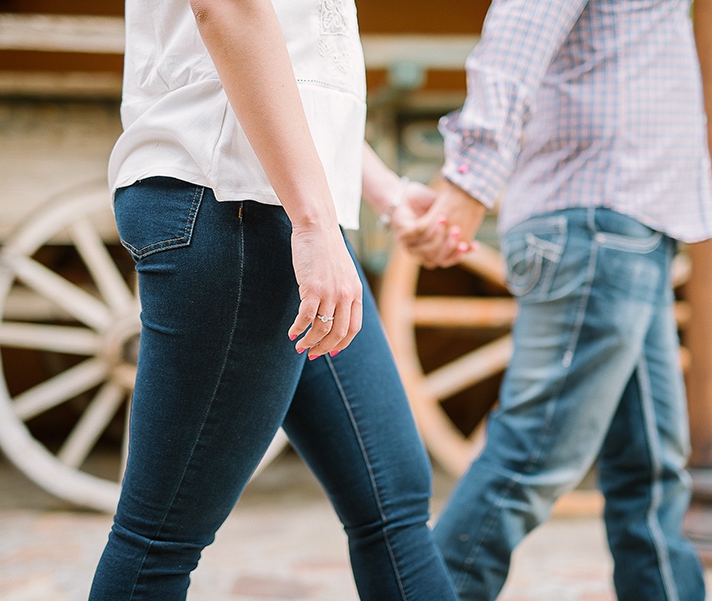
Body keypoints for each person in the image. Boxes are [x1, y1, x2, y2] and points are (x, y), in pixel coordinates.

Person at [88, 0, 460, 599]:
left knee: (392, 499)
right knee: (159, 541)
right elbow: (229, 9)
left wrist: (386, 193)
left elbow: (299, 73)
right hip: (236, 204)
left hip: (275, 209)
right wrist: (312, 224)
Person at [394, 1, 712, 600]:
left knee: (652, 473)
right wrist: (469, 179)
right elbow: (518, 32)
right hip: (598, 218)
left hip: (633, 218)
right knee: (530, 461)